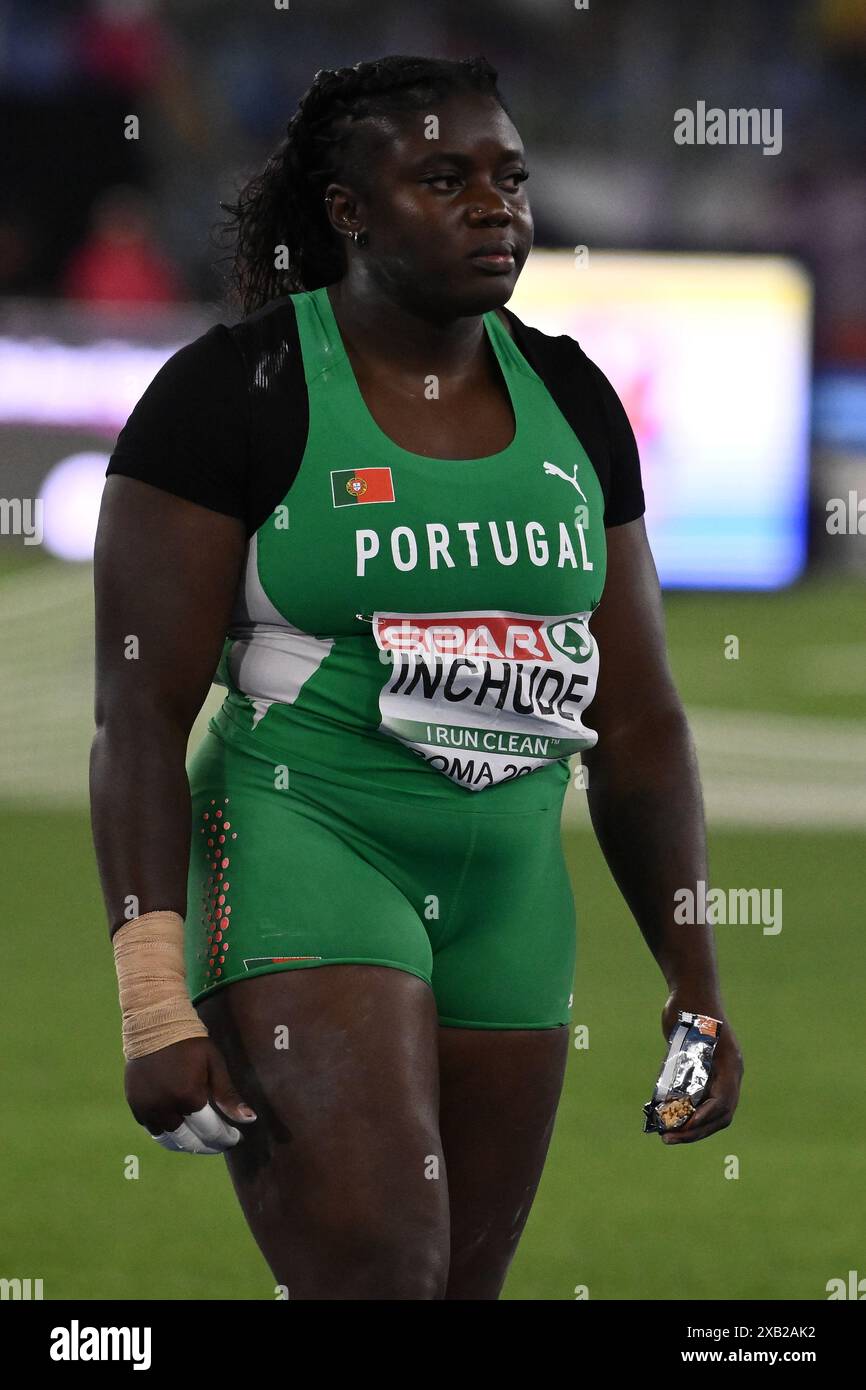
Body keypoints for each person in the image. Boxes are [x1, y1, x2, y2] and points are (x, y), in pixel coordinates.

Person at [91, 54, 743, 1302]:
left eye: (509, 178)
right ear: (347, 213)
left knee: (458, 1292)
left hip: (507, 885)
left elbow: (641, 718)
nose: (494, 206)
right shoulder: (232, 395)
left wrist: (695, 993)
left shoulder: (569, 396)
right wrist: (149, 1000)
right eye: (444, 179)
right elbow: (137, 718)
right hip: (303, 846)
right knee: (381, 1272)